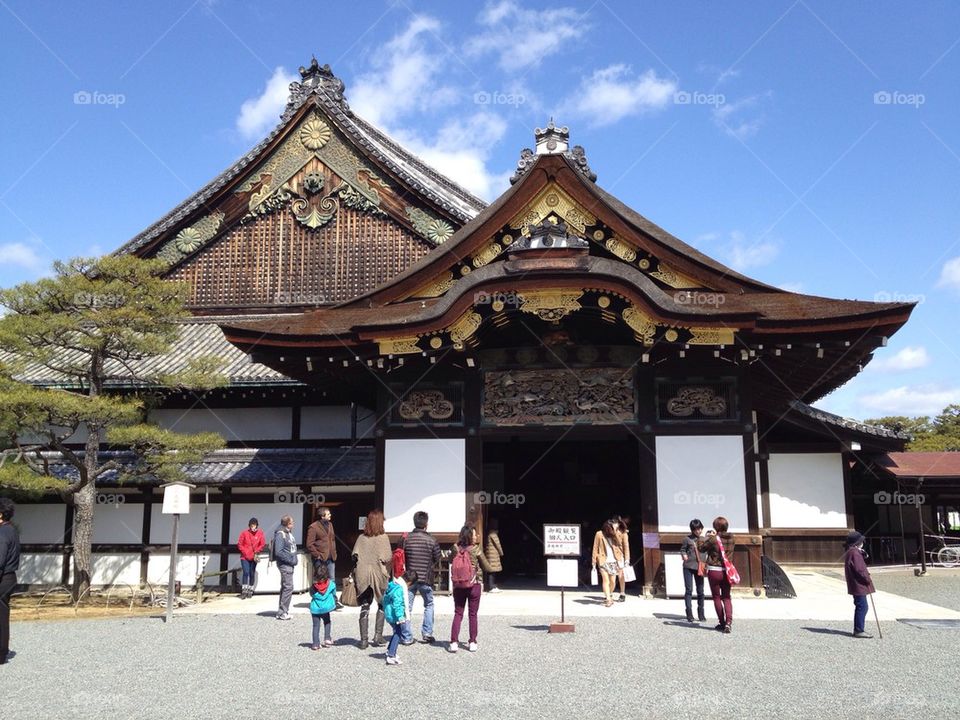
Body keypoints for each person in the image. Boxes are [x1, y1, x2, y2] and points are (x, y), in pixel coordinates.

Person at [448, 524, 492, 653]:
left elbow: (450, 559)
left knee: (458, 613)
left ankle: (454, 642)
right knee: (473, 614)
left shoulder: (455, 548)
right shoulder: (476, 550)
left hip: (458, 585)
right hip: (474, 584)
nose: (476, 536)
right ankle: (472, 642)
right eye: (474, 534)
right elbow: (486, 566)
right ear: (469, 536)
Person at [352, 509, 392, 649]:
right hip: (378, 574)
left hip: (362, 574)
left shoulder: (361, 538)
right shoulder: (383, 538)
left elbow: (354, 556)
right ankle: (378, 635)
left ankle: (363, 640)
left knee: (365, 604)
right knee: (381, 604)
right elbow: (387, 557)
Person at [403, 510, 441, 644]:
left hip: (409, 579)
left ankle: (406, 637)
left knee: (407, 607)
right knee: (429, 604)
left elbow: (403, 558)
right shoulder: (432, 540)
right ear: (426, 524)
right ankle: (427, 634)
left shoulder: (406, 539)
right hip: (426, 577)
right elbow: (437, 557)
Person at [699, 516, 735, 633]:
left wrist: (703, 537)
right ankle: (729, 622)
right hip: (727, 571)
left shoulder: (713, 539)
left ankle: (721, 622)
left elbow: (701, 549)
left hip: (714, 570)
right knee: (727, 597)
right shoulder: (732, 538)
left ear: (715, 527)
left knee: (716, 597)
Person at [843, 530, 876, 639]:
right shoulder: (854, 553)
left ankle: (859, 629)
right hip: (859, 584)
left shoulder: (852, 552)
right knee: (862, 606)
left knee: (861, 606)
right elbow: (860, 569)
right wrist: (867, 579)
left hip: (856, 584)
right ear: (857, 542)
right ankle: (858, 629)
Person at [0, 497, 20, 666]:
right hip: (9, 577)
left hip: (2, 578)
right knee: (2, 616)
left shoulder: (2, 532)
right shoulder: (11, 530)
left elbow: (0, 558)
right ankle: (2, 651)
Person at [383, 569, 415, 666]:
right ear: (409, 582)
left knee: (396, 632)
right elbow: (398, 604)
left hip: (389, 613)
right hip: (395, 615)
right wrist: (401, 617)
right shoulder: (399, 589)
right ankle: (391, 655)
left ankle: (390, 650)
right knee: (398, 633)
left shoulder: (393, 585)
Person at [591, 519, 623, 607]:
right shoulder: (599, 534)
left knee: (613, 581)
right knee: (606, 580)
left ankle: (609, 594)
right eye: (612, 527)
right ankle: (608, 599)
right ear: (608, 527)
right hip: (602, 560)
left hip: (613, 560)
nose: (614, 529)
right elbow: (595, 547)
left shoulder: (614, 534)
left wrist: (616, 532)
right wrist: (594, 561)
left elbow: (619, 544)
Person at [680, 518, 706, 622]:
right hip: (688, 566)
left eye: (700, 528)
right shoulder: (687, 539)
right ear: (692, 529)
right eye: (696, 529)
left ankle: (701, 612)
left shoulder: (705, 539)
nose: (698, 531)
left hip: (700, 567)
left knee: (700, 591)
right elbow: (682, 549)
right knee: (689, 590)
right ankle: (689, 612)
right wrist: (684, 555)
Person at [273, 515, 298, 621]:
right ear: (288, 524)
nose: (293, 524)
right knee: (288, 587)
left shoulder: (288, 533)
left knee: (286, 587)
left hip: (289, 564)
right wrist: (291, 560)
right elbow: (278, 552)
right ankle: (283, 611)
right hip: (285, 564)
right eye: (292, 522)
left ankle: (282, 611)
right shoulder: (281, 534)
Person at [307, 507, 337, 590]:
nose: (330, 515)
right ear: (322, 516)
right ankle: (321, 599)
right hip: (320, 559)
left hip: (331, 558)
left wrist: (334, 552)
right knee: (320, 579)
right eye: (328, 514)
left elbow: (332, 540)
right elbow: (309, 544)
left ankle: (333, 599)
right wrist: (318, 555)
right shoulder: (313, 527)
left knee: (332, 579)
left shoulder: (330, 525)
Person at [308, 563, 337, 650]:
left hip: (315, 609)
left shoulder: (313, 586)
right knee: (327, 622)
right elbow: (334, 594)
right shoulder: (331, 584)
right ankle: (327, 638)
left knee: (316, 626)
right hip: (326, 608)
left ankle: (316, 643)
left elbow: (311, 594)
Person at [237, 517, 265, 599]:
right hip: (244, 557)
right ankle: (244, 591)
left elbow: (262, 544)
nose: (253, 526)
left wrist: (257, 550)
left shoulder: (260, 533)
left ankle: (250, 590)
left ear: (257, 525)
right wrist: (245, 552)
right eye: (252, 525)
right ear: (249, 525)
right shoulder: (244, 533)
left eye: (255, 525)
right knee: (246, 572)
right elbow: (239, 544)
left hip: (254, 557)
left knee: (252, 573)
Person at [484, 517, 504, 592]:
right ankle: (491, 586)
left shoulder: (489, 533)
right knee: (492, 571)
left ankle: (491, 585)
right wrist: (501, 553)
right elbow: (498, 544)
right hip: (493, 555)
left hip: (490, 554)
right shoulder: (493, 534)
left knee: (491, 571)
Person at [614, 515, 631, 602]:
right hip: (610, 556)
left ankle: (622, 593)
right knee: (611, 576)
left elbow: (626, 546)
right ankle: (609, 593)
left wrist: (627, 559)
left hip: (619, 556)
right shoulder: (608, 532)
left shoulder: (623, 532)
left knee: (621, 576)